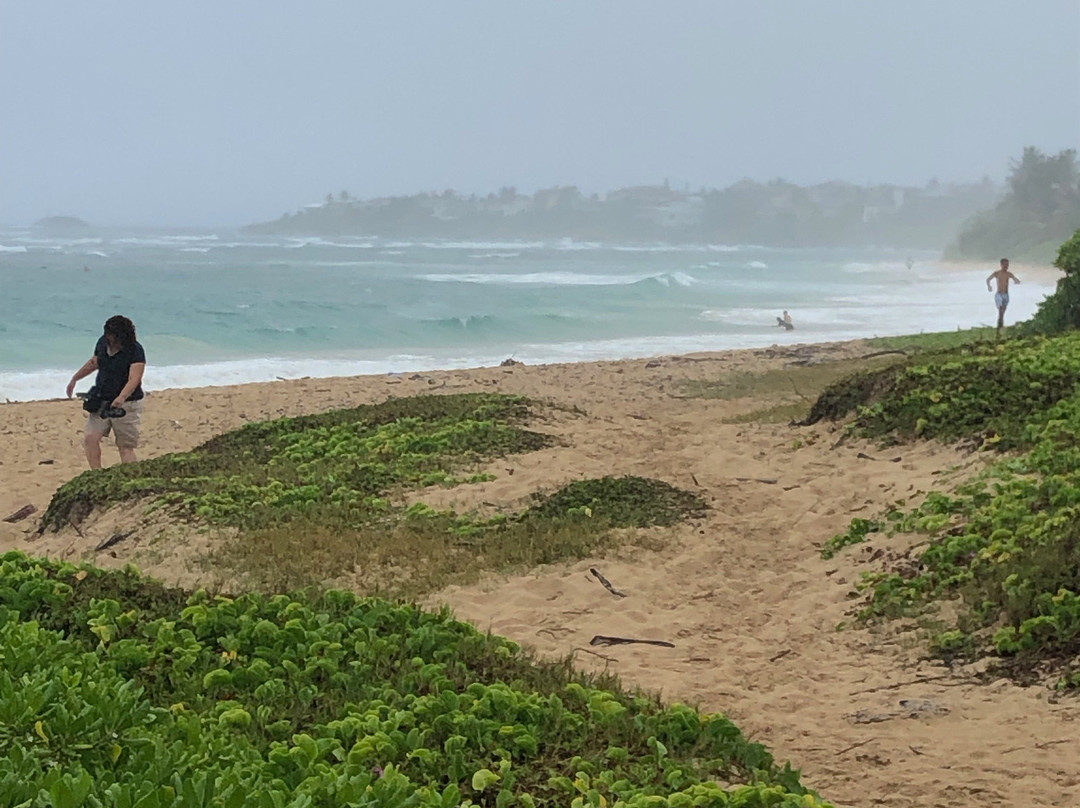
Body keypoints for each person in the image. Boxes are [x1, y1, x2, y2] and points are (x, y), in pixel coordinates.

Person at [66, 315, 146, 468]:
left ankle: (130, 475)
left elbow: (134, 378)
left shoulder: (135, 350)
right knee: (90, 438)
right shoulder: (103, 343)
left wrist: (121, 397)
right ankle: (96, 473)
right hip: (101, 399)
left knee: (125, 446)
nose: (109, 338)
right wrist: (75, 378)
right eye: (108, 334)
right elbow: (94, 362)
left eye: (112, 335)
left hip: (127, 404)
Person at [986, 258, 1021, 337]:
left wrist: (1017, 281)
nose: (1006, 266)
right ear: (1001, 265)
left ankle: (1000, 325)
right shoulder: (997, 273)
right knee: (1001, 310)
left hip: (1006, 294)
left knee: (1003, 312)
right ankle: (999, 327)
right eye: (1005, 265)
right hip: (999, 294)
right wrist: (989, 286)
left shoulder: (1009, 274)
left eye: (1007, 265)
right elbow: (988, 279)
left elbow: (1016, 280)